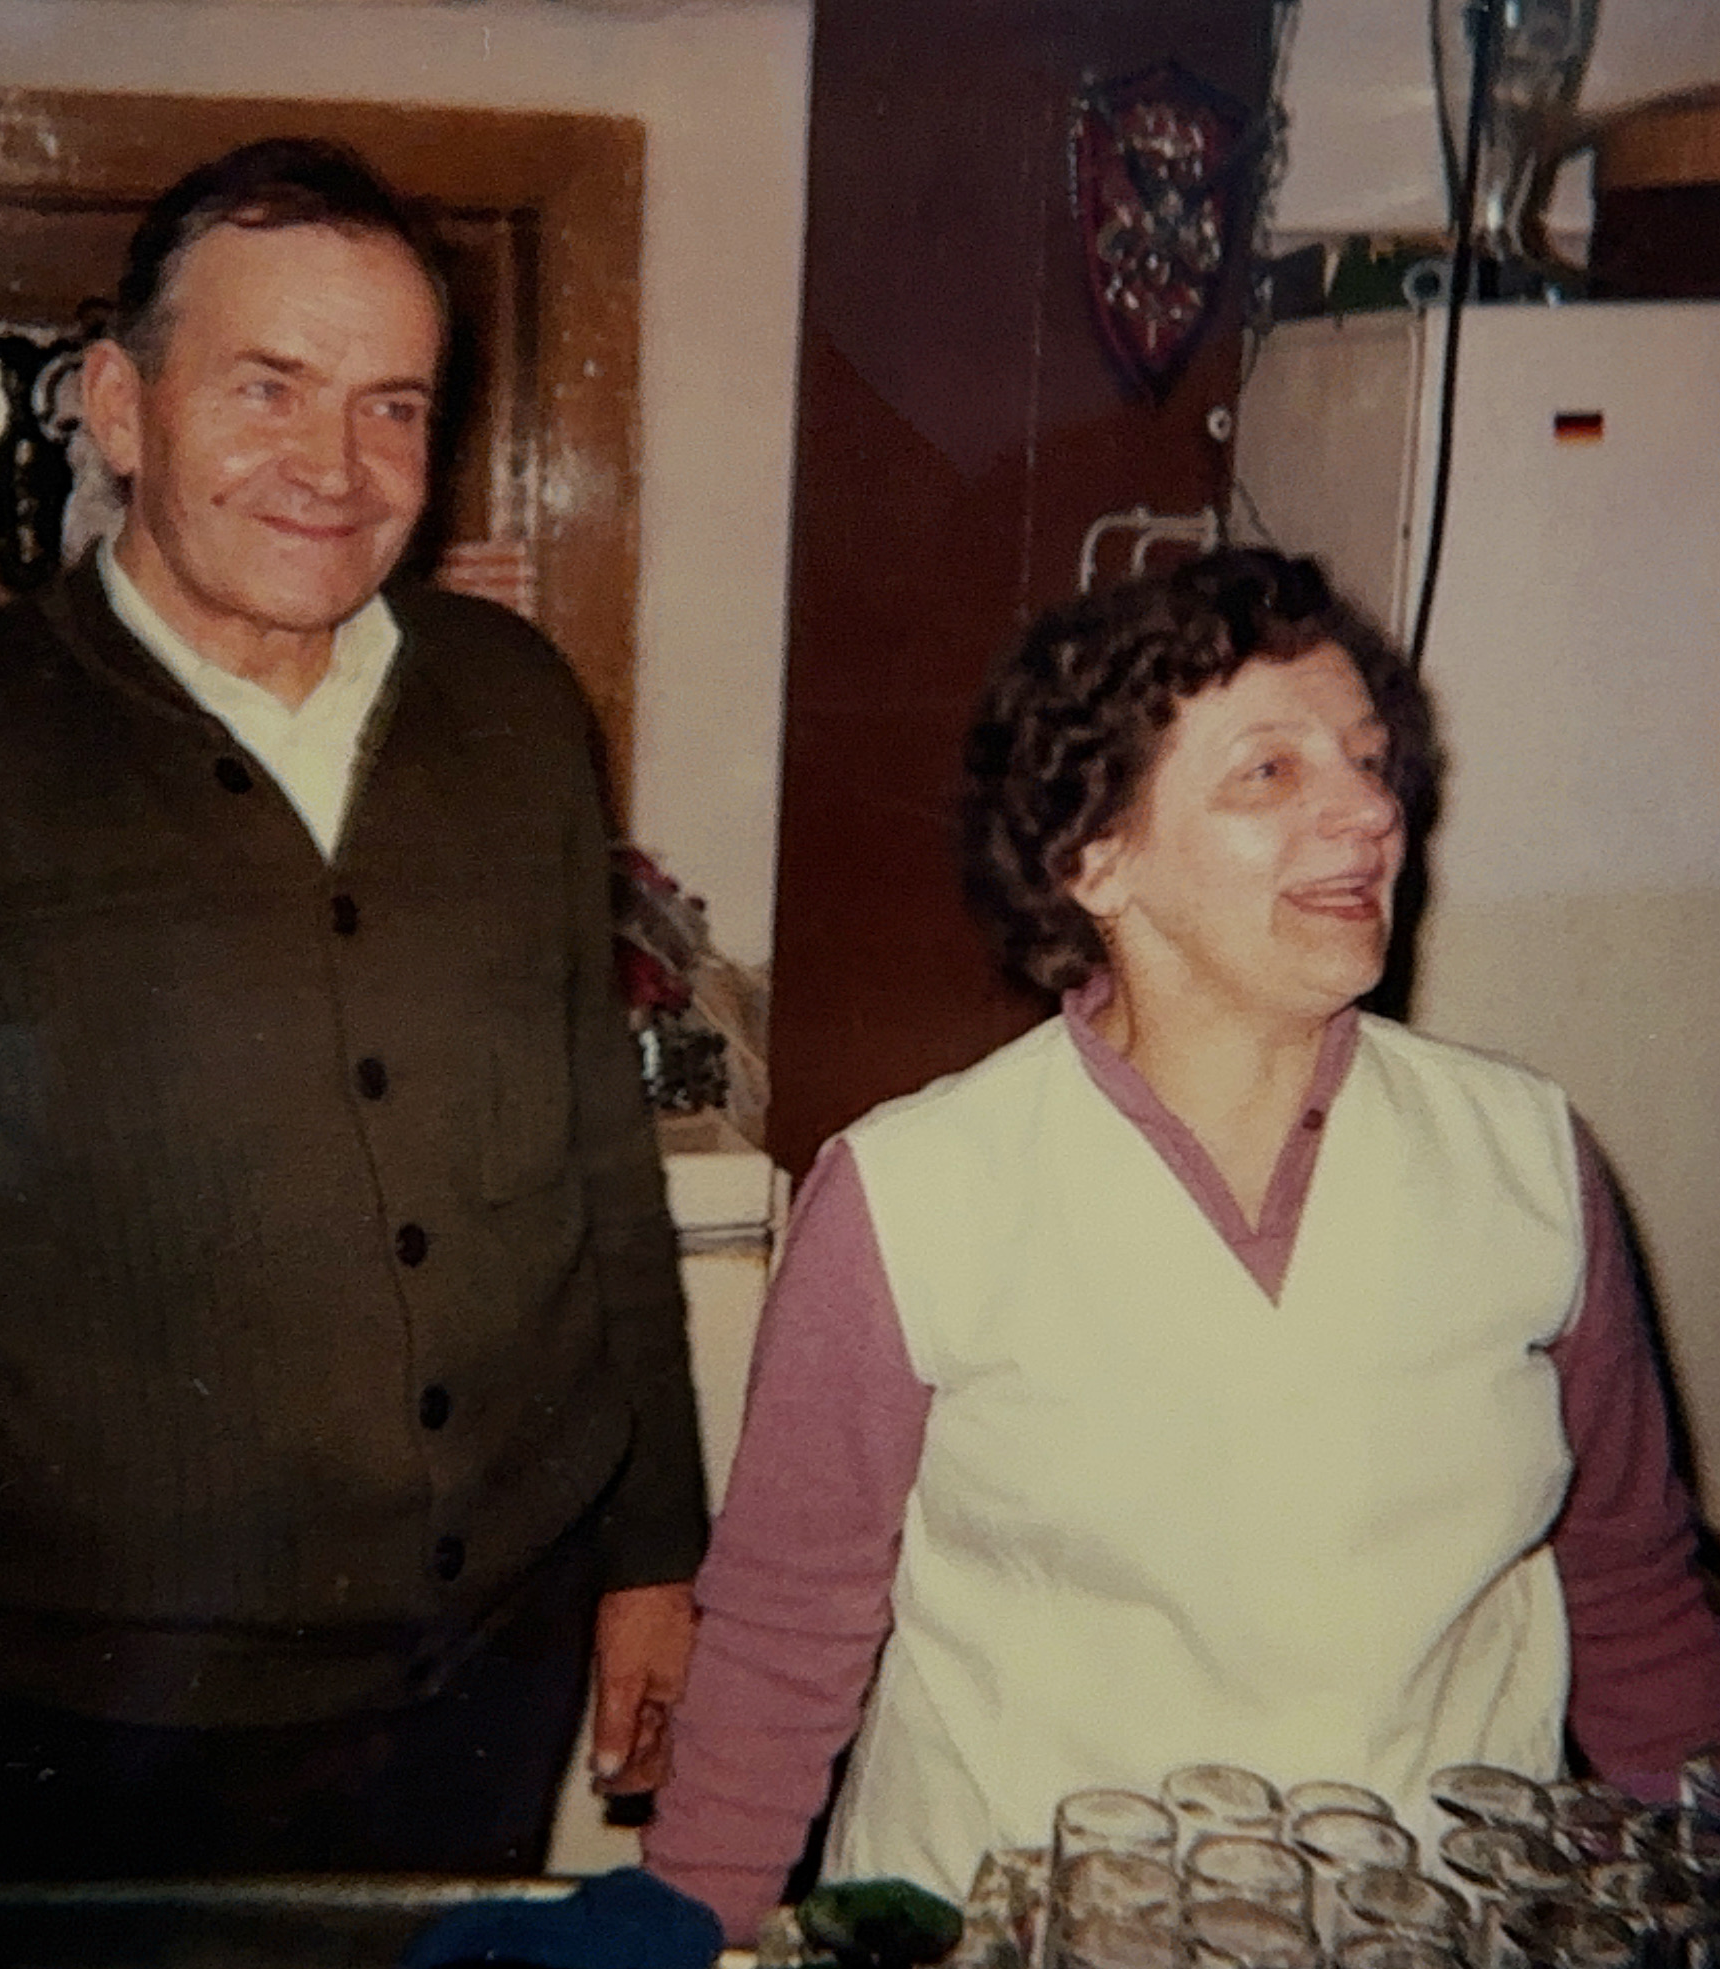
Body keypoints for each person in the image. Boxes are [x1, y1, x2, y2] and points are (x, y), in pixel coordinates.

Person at [0, 137, 707, 1882]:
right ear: (119, 408)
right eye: (267, 387)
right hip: (105, 1729)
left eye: (391, 405)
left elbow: (597, 1160)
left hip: (492, 1676)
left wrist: (655, 1550)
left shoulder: (512, 707)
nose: (334, 467)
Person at [636, 548, 1720, 1941]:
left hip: (1422, 1929)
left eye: (1368, 762)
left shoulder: (1526, 1157)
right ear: (1096, 859)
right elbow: (783, 1643)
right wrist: (686, 1930)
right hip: (1025, 1931)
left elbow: (1632, 1594)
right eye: (1269, 771)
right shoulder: (915, 1193)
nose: (1366, 812)